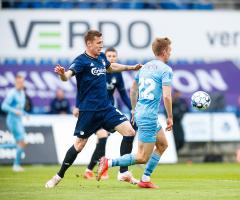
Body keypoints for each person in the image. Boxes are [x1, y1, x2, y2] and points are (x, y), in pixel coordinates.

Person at [45, 30, 142, 188]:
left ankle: (123, 172)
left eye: (102, 43)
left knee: (130, 131)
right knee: (79, 145)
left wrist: (130, 67)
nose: (101, 46)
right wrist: (62, 74)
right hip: (89, 111)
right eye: (98, 44)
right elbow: (67, 76)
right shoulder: (81, 61)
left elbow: (111, 67)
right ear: (89, 44)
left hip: (106, 108)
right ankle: (58, 176)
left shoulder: (102, 57)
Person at [97, 37, 173, 189]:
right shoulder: (166, 70)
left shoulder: (145, 67)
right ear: (164, 52)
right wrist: (170, 116)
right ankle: (109, 162)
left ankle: (145, 179)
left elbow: (133, 89)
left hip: (140, 112)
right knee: (142, 157)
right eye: (170, 50)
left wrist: (133, 109)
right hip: (149, 116)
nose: (170, 53)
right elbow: (166, 96)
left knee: (163, 144)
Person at [81, 47, 138, 184]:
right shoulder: (98, 71)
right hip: (94, 110)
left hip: (109, 110)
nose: (111, 58)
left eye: (114, 56)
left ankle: (91, 170)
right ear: (104, 58)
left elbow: (123, 93)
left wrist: (133, 108)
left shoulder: (117, 74)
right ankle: (99, 168)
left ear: (116, 58)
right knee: (101, 137)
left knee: (102, 139)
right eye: (109, 56)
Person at [0, 75, 27, 172]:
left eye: (22, 82)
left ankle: (16, 165)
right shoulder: (12, 93)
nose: (21, 84)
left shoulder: (22, 93)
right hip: (12, 120)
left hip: (18, 120)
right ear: (15, 83)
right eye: (19, 82)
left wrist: (25, 113)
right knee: (22, 142)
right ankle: (16, 165)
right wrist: (14, 111)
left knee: (20, 143)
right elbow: (3, 106)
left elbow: (20, 108)